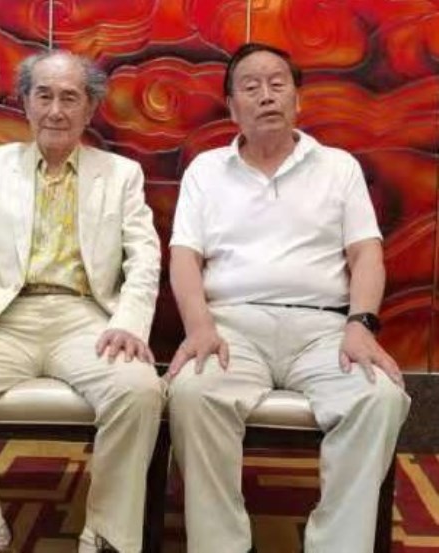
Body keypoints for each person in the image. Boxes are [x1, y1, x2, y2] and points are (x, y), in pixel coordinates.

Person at [0, 49, 164, 553]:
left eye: (70, 98)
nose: (56, 110)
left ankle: (108, 535)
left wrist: (129, 324)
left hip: (86, 320)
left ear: (90, 108)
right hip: (3, 321)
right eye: (44, 96)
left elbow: (144, 258)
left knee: (140, 391)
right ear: (25, 102)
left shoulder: (121, 174)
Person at [167, 42, 411, 553]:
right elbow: (185, 257)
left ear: (298, 99)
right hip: (231, 328)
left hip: (325, 330)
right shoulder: (205, 171)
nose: (266, 95)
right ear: (232, 108)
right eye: (251, 87)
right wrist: (200, 326)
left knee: (378, 398)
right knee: (192, 394)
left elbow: (366, 253)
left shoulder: (338, 167)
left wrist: (361, 324)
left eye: (278, 84)